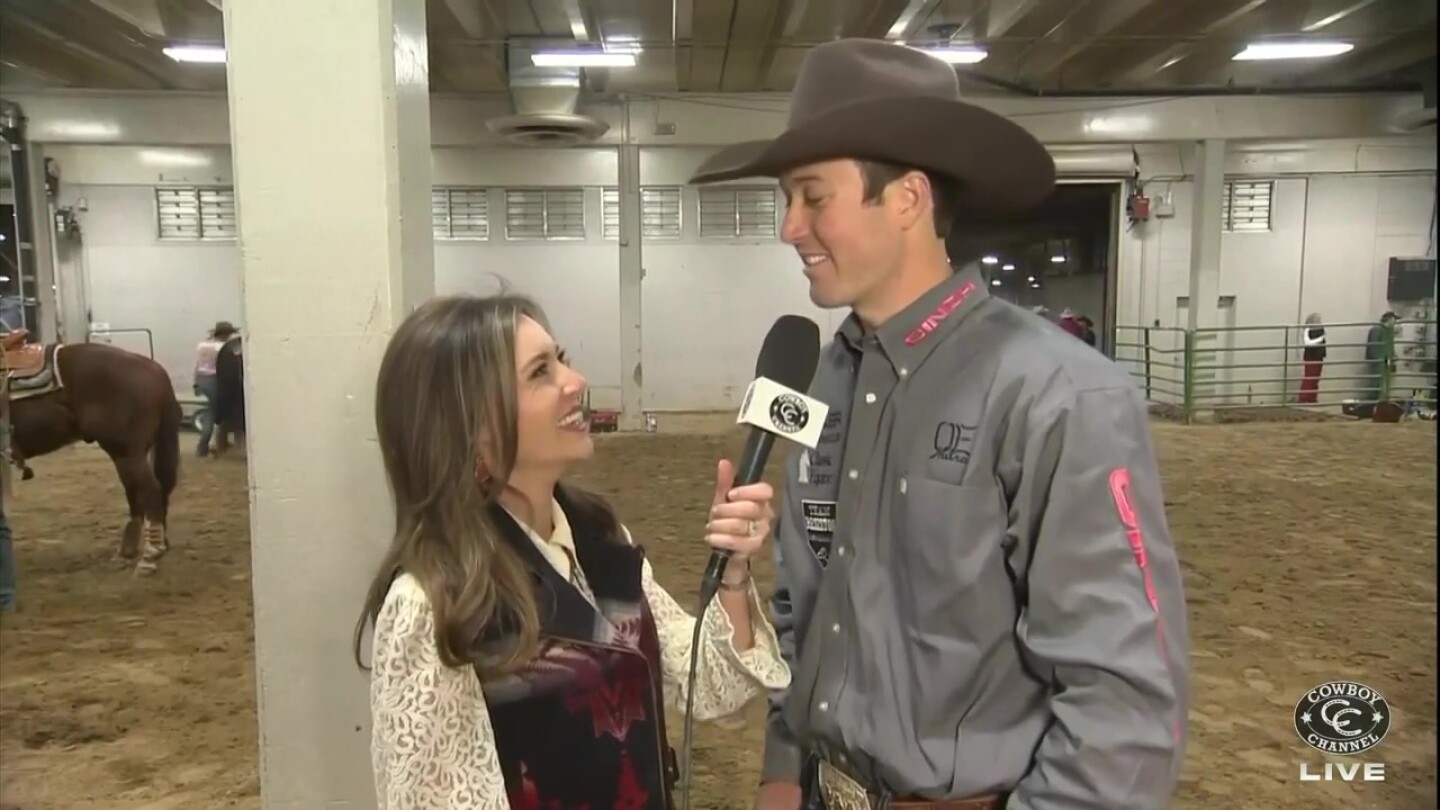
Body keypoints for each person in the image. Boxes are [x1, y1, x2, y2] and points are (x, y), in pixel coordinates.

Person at [690, 39, 1189, 810]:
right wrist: (783, 771)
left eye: (813, 197)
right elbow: (808, 610)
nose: (790, 227)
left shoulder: (1059, 395)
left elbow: (1124, 699)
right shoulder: (827, 375)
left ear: (909, 199)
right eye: (787, 199)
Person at [355, 294, 790, 809]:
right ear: (472, 427)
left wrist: (735, 570)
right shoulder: (434, 603)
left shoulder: (600, 539)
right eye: (540, 372)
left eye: (561, 359)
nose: (576, 382)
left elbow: (710, 685)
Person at [193, 321, 234, 457]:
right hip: (215, 380)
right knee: (214, 414)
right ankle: (204, 447)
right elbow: (226, 367)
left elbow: (197, 365)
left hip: (201, 379)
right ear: (226, 334)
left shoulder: (202, 345)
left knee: (210, 411)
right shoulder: (223, 347)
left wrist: (196, 384)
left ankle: (210, 445)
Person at [212, 330, 244, 454]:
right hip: (234, 388)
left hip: (226, 386)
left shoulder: (228, 347)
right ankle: (235, 444)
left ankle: (222, 444)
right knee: (235, 417)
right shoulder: (233, 347)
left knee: (225, 416)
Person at [1298, 313, 1326, 404]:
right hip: (1312, 356)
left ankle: (1312, 397)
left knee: (1315, 377)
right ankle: (1305, 397)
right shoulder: (1309, 330)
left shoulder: (1319, 330)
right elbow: (1308, 343)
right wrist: (1320, 339)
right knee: (1310, 377)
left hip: (1318, 356)